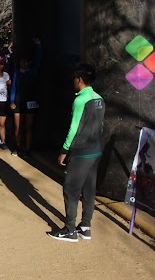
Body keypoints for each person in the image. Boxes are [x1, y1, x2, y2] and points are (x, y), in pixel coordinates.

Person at [48, 63, 105, 242]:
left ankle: (70, 229)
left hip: (81, 152)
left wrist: (64, 150)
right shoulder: (99, 98)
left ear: (79, 80)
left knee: (71, 190)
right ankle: (85, 226)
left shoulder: (80, 100)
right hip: (95, 151)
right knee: (89, 190)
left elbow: (74, 128)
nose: (73, 81)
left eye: (74, 79)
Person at [9, 38, 43, 157]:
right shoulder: (17, 73)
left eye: (25, 61)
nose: (23, 63)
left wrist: (39, 47)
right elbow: (13, 88)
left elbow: (38, 60)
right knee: (18, 127)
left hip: (30, 101)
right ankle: (18, 147)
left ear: (29, 62)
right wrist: (12, 101)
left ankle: (27, 149)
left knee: (29, 127)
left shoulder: (33, 72)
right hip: (18, 102)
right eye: (21, 61)